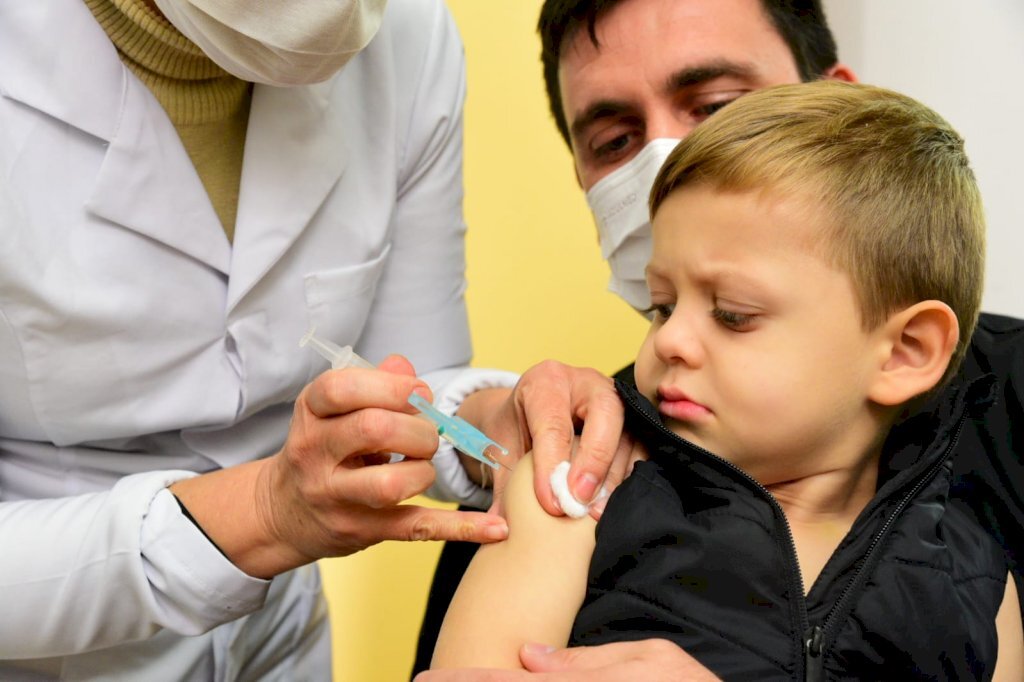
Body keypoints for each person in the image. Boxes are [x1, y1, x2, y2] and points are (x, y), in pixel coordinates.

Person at [0, 0, 635, 678]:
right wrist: (266, 511)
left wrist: (493, 421)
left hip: (278, 641)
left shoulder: (407, 36)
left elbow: (410, 383)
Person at [415, 0, 1024, 677]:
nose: (672, 341)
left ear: (906, 351)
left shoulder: (977, 579)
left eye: (733, 314)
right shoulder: (577, 494)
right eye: (660, 306)